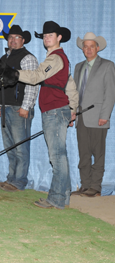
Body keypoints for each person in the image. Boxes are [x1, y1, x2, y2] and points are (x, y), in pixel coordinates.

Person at [18, 21, 78, 210]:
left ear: (59, 37)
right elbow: (70, 85)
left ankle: (56, 199)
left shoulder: (55, 58)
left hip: (54, 110)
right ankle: (64, 197)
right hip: (58, 110)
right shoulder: (59, 58)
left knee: (57, 156)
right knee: (60, 155)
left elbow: (35, 77)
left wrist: (12, 74)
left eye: (50, 35)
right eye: (44, 36)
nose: (46, 38)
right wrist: (73, 108)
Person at [0, 25, 39, 192]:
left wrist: (26, 106)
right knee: (10, 146)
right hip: (5, 107)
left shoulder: (27, 58)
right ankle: (11, 178)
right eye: (10, 37)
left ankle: (19, 181)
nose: (12, 40)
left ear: (23, 40)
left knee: (20, 146)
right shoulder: (3, 58)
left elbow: (33, 84)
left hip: (19, 107)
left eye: (16, 37)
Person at [71, 32, 115, 197]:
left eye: (91, 46)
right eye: (85, 46)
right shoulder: (78, 67)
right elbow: (75, 93)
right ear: (82, 48)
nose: (88, 49)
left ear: (97, 48)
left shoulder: (107, 65)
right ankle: (85, 185)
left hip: (98, 117)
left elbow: (110, 93)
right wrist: (72, 111)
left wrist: (105, 115)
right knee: (83, 153)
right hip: (81, 116)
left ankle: (95, 187)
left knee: (98, 152)